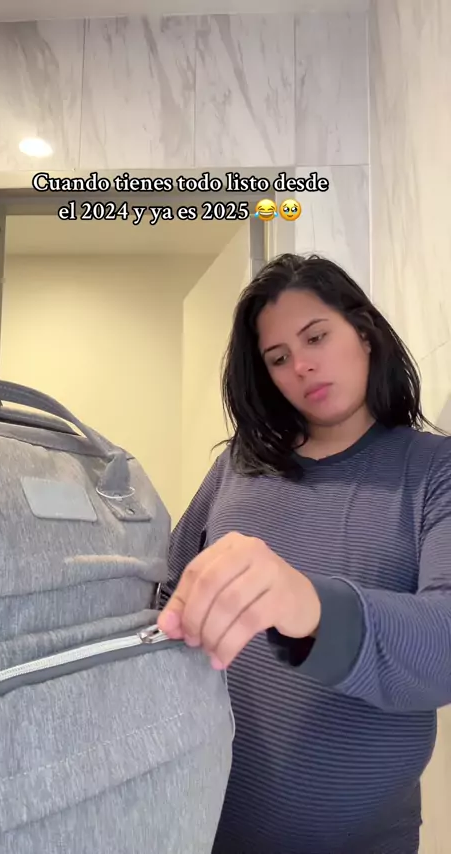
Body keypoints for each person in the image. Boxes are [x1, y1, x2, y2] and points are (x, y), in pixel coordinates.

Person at [157, 252, 451, 854]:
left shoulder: (434, 470)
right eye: (278, 357)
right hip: (204, 828)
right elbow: (165, 596)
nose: (301, 366)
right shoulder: (236, 467)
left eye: (316, 337)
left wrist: (309, 606)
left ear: (363, 332)